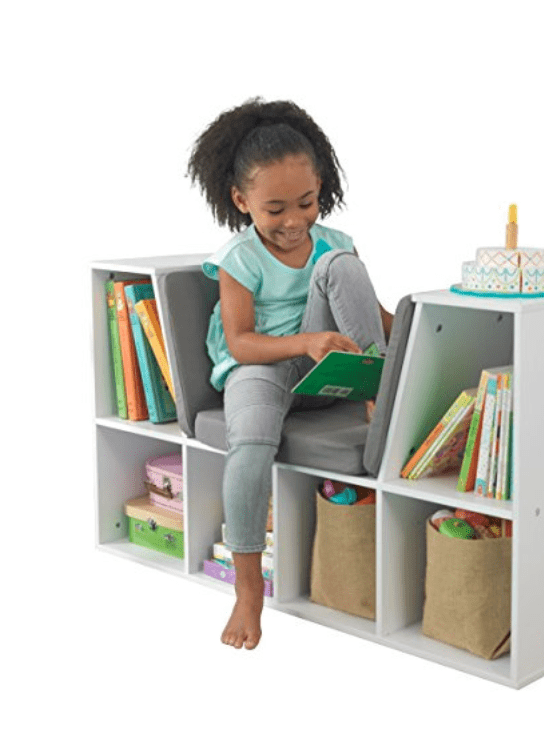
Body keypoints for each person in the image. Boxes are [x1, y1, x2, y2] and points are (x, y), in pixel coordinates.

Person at [187, 98, 393, 650]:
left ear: (320, 187)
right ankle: (249, 588)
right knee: (250, 444)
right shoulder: (239, 257)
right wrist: (307, 343)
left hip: (326, 372)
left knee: (339, 264)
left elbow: (373, 315)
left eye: (306, 202)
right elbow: (240, 342)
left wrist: (420, 328)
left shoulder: (335, 245)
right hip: (259, 366)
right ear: (242, 201)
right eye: (275, 209)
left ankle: (378, 387)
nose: (294, 221)